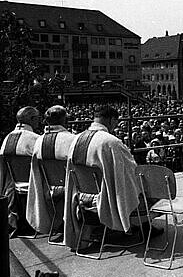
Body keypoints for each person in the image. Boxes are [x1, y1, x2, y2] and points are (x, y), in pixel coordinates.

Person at [63, 105, 142, 249]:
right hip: (104, 197)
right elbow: (131, 170)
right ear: (112, 120)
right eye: (116, 123)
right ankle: (140, 226)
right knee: (143, 187)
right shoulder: (111, 142)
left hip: (80, 195)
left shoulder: (76, 139)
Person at [27, 105, 76, 236]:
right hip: (72, 189)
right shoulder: (72, 139)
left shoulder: (38, 141)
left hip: (48, 188)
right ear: (65, 120)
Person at [0, 106, 40, 236]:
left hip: (13, 185)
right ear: (32, 119)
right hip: (34, 184)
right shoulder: (35, 139)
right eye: (37, 119)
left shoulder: (7, 138)